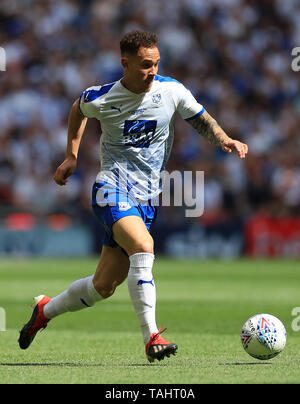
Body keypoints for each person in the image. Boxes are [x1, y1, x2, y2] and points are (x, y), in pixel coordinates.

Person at [18, 30, 248, 363]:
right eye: (144, 65)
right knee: (144, 247)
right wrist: (71, 156)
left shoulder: (171, 91)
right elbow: (78, 109)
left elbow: (200, 119)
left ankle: (44, 311)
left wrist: (224, 139)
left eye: (155, 63)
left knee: (103, 287)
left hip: (147, 199)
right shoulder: (103, 98)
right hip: (111, 187)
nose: (152, 70)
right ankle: (151, 336)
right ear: (125, 63)